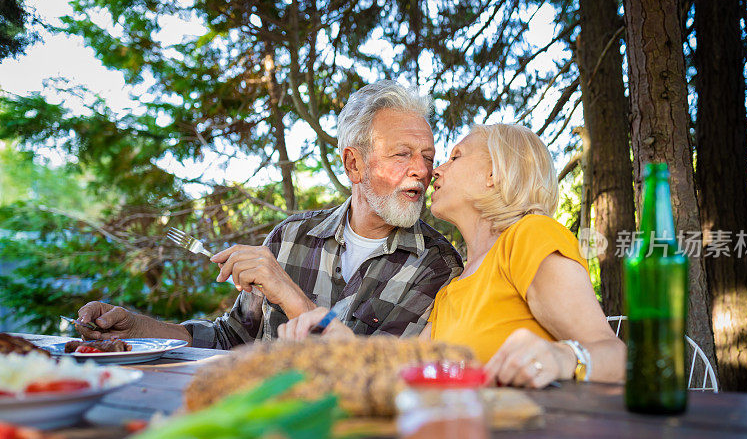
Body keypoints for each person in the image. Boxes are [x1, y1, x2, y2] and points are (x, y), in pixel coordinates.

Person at [76, 81, 463, 349]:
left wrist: (290, 296)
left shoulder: (438, 266)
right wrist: (142, 330)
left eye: (427, 157)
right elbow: (232, 339)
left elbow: (371, 374)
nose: (422, 169)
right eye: (402, 154)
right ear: (354, 165)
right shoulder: (290, 237)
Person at [279, 124, 626, 388]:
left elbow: (619, 357)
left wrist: (563, 357)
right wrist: (343, 343)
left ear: (495, 175)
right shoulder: (453, 284)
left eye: (455, 157)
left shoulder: (530, 235)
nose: (436, 171)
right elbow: (408, 368)